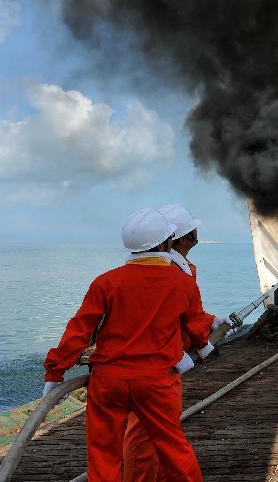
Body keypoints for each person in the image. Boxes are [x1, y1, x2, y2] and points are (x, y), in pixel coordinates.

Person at [43, 209, 211, 481]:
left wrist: (54, 372)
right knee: (173, 449)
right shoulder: (183, 283)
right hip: (156, 383)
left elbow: (79, 331)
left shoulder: (106, 282)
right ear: (166, 243)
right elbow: (195, 326)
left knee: (103, 455)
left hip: (109, 381)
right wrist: (203, 345)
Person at [122, 204, 229, 481]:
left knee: (157, 432)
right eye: (193, 228)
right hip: (156, 364)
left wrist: (210, 321)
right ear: (182, 238)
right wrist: (201, 340)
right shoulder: (169, 270)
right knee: (145, 434)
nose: (197, 231)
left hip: (167, 361)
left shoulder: (180, 267)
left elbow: (183, 312)